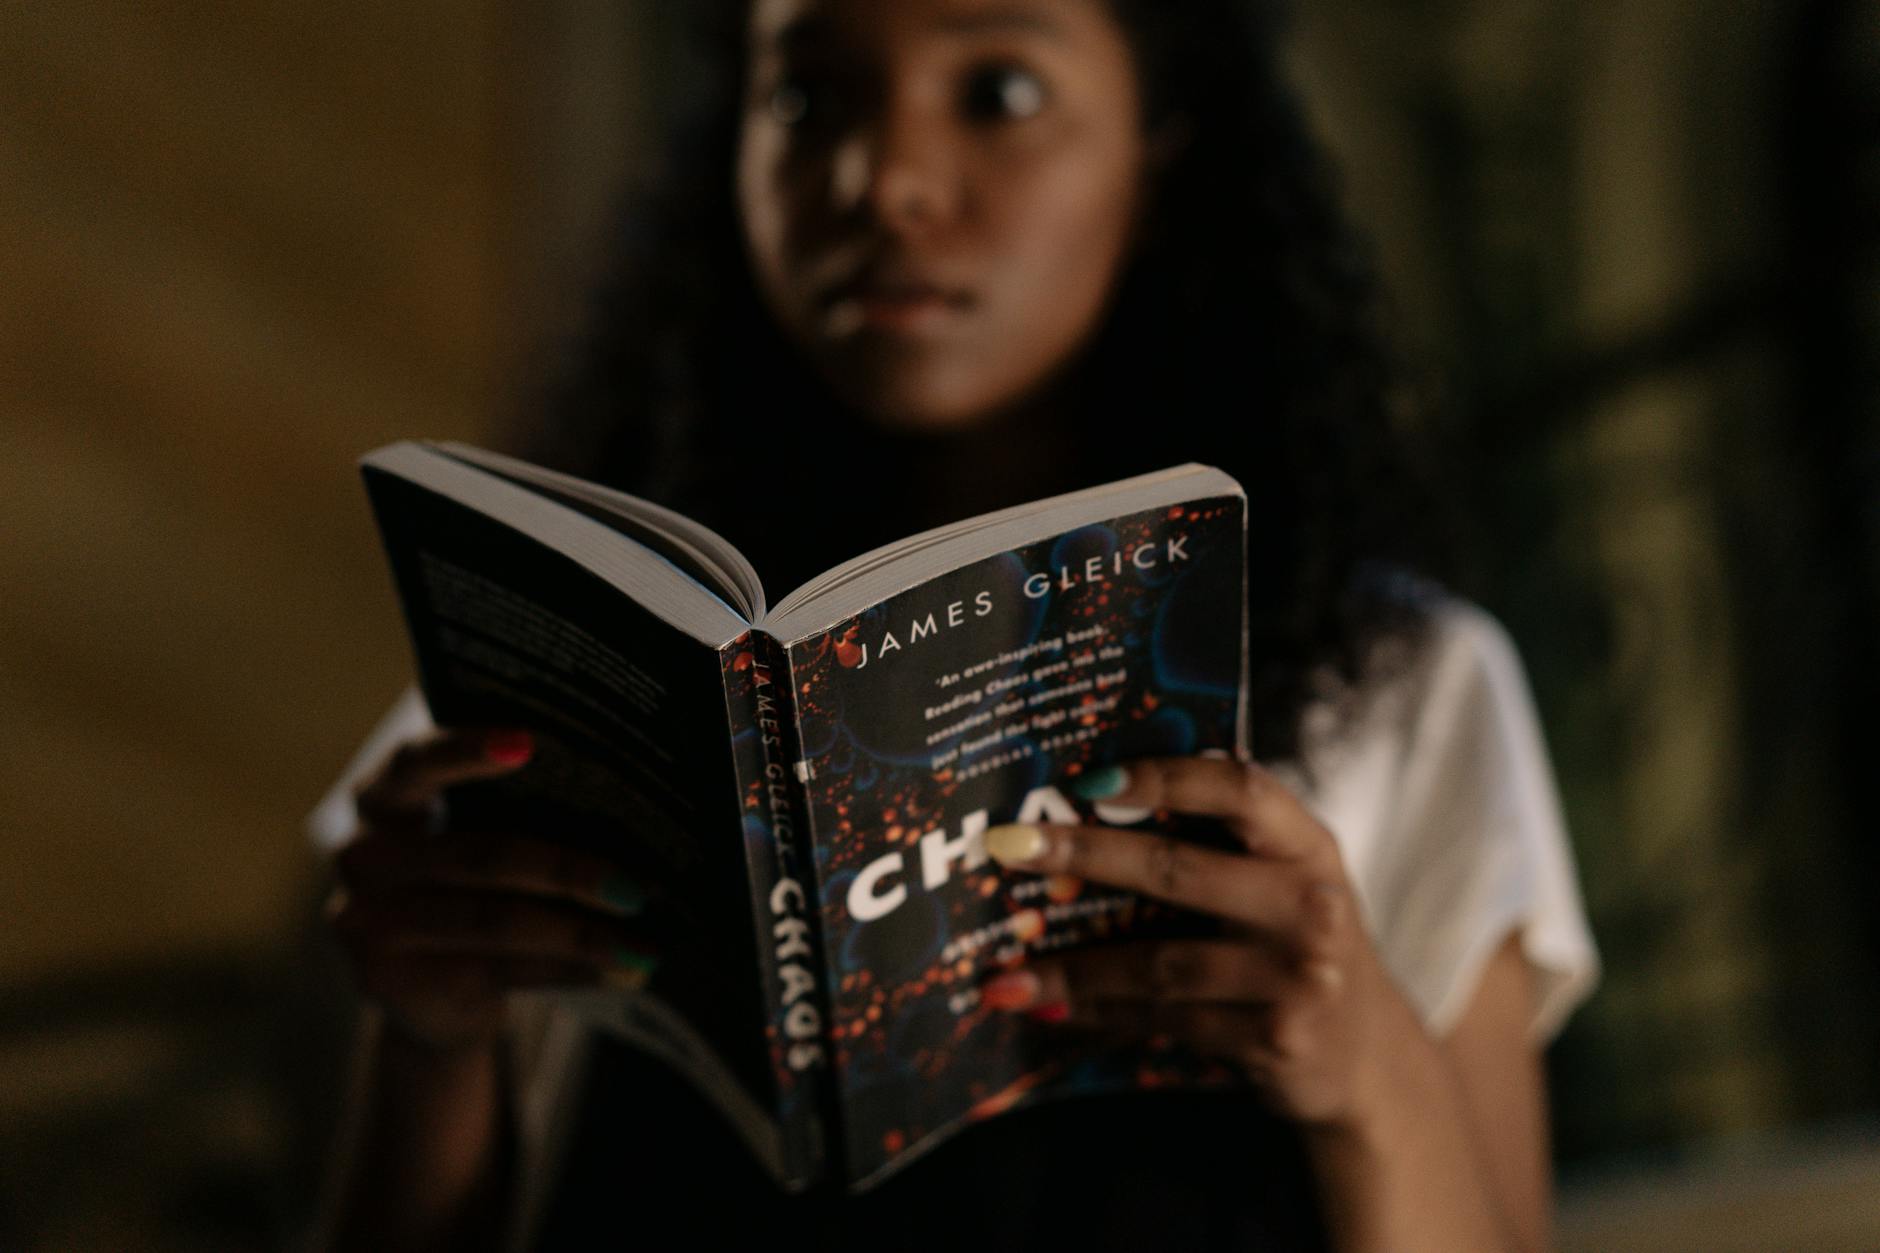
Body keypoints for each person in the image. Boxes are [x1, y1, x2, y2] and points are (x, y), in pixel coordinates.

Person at [307, 0, 1599, 1249]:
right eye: (807, 94)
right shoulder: (580, 671)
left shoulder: (1399, 686)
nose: (885, 178)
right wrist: (427, 1034)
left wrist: (1367, 1060)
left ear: (1163, 146)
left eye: (1001, 92)